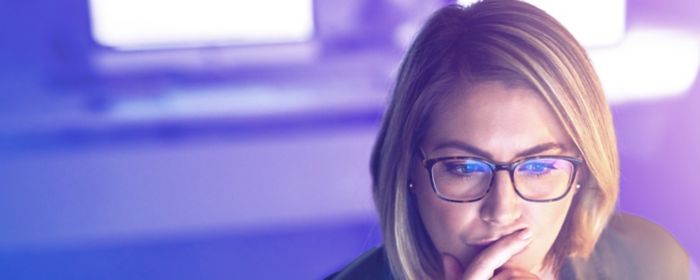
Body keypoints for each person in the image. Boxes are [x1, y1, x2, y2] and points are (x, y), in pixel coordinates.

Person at [327, 0, 691, 279]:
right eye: (465, 167)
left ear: (583, 173)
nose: (501, 211)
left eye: (539, 166)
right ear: (409, 170)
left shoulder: (649, 262)